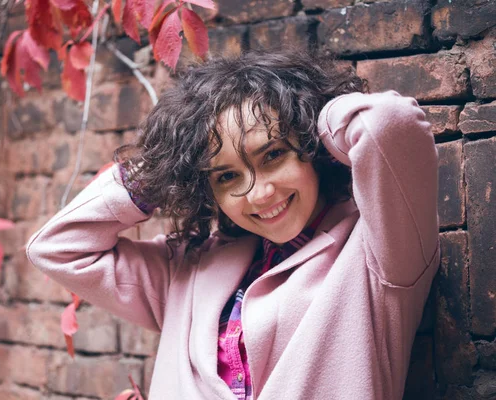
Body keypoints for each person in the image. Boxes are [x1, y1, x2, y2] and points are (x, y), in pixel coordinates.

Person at [25, 49, 440, 400]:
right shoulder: (187, 270)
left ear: (309, 148)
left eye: (273, 155)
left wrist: (310, 114)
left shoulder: (377, 252)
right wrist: (159, 171)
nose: (258, 193)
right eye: (227, 176)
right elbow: (58, 248)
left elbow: (387, 123)